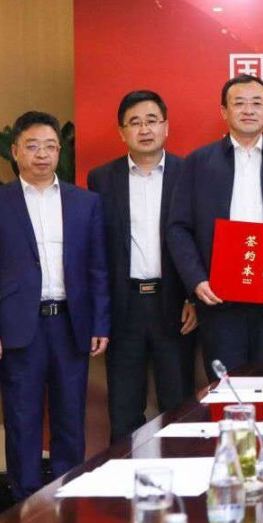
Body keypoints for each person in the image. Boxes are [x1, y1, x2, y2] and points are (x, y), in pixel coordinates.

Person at [0, 111, 110, 499]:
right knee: (22, 421)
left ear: (59, 151)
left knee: (70, 419)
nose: (42, 154)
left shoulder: (85, 203)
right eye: (32, 146)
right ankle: (26, 505)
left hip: (70, 324)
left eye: (50, 146)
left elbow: (98, 268)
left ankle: (69, 498)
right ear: (15, 151)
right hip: (19, 328)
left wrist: (100, 323)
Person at [167, 74, 263, 371]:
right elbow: (178, 229)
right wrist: (196, 280)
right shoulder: (199, 163)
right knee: (227, 388)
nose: (249, 110)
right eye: (239, 103)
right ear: (224, 111)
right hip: (218, 301)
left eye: (257, 103)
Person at [87, 90, 197, 443]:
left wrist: (194, 296)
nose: (145, 129)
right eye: (134, 123)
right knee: (124, 409)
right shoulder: (102, 179)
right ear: (122, 132)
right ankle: (125, 476)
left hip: (175, 304)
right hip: (125, 305)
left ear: (166, 126)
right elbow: (96, 250)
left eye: (152, 121)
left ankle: (180, 472)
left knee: (177, 405)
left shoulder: (189, 173)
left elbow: (201, 239)